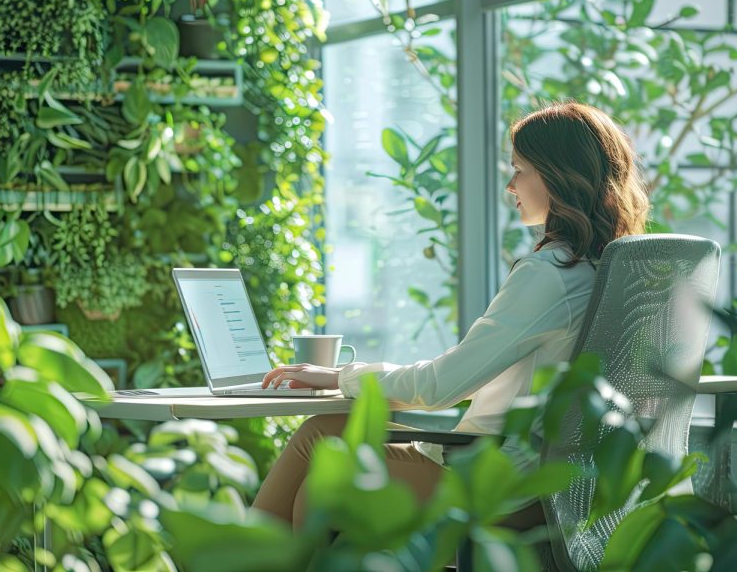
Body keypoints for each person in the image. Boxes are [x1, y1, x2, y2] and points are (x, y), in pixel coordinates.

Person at [253, 102, 651, 530]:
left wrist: (339, 377)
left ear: (560, 177)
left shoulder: (551, 273)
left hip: (504, 488)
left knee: (323, 483)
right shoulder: (614, 269)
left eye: (520, 170)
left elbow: (440, 387)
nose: (511, 186)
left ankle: (243, 553)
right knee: (324, 431)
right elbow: (462, 381)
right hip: (562, 488)